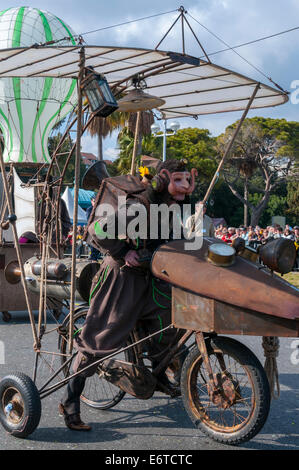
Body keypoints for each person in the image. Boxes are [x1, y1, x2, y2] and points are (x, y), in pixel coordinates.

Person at [59, 159, 197, 431]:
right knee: (99, 340)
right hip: (121, 278)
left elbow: (172, 237)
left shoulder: (171, 205)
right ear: (162, 179)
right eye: (178, 180)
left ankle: (158, 375)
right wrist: (123, 252)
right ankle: (70, 401)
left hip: (152, 277)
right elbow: (97, 230)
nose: (185, 187)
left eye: (187, 180)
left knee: (168, 322)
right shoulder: (140, 204)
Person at [85, 197, 102, 261]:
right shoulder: (90, 209)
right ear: (91, 201)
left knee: (98, 243)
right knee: (92, 243)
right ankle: (93, 256)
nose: (95, 202)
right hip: (92, 228)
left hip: (99, 228)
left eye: (96, 201)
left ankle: (96, 255)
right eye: (94, 201)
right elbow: (89, 220)